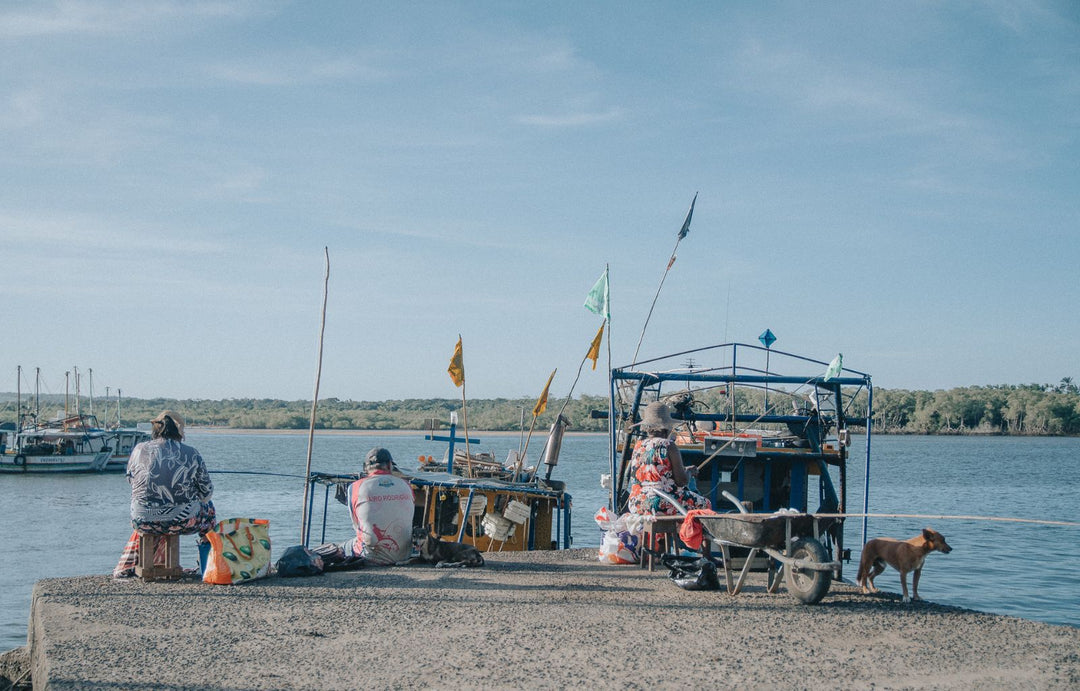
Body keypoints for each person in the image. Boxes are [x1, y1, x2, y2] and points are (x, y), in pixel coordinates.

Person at [113, 410, 216, 578]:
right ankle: (208, 563)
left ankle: (146, 561)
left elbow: (131, 481)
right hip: (182, 521)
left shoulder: (139, 449)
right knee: (209, 509)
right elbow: (206, 493)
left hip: (142, 520)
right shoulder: (192, 453)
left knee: (156, 511)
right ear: (180, 432)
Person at [627, 401, 712, 516]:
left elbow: (654, 473)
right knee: (705, 504)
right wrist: (689, 472)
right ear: (667, 427)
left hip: (637, 504)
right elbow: (681, 481)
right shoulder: (668, 445)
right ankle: (686, 533)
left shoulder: (638, 446)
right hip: (660, 503)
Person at [343, 447, 415, 565]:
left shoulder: (355, 487)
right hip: (404, 556)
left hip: (369, 556)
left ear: (365, 468)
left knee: (342, 547)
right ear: (389, 465)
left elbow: (356, 524)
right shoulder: (406, 485)